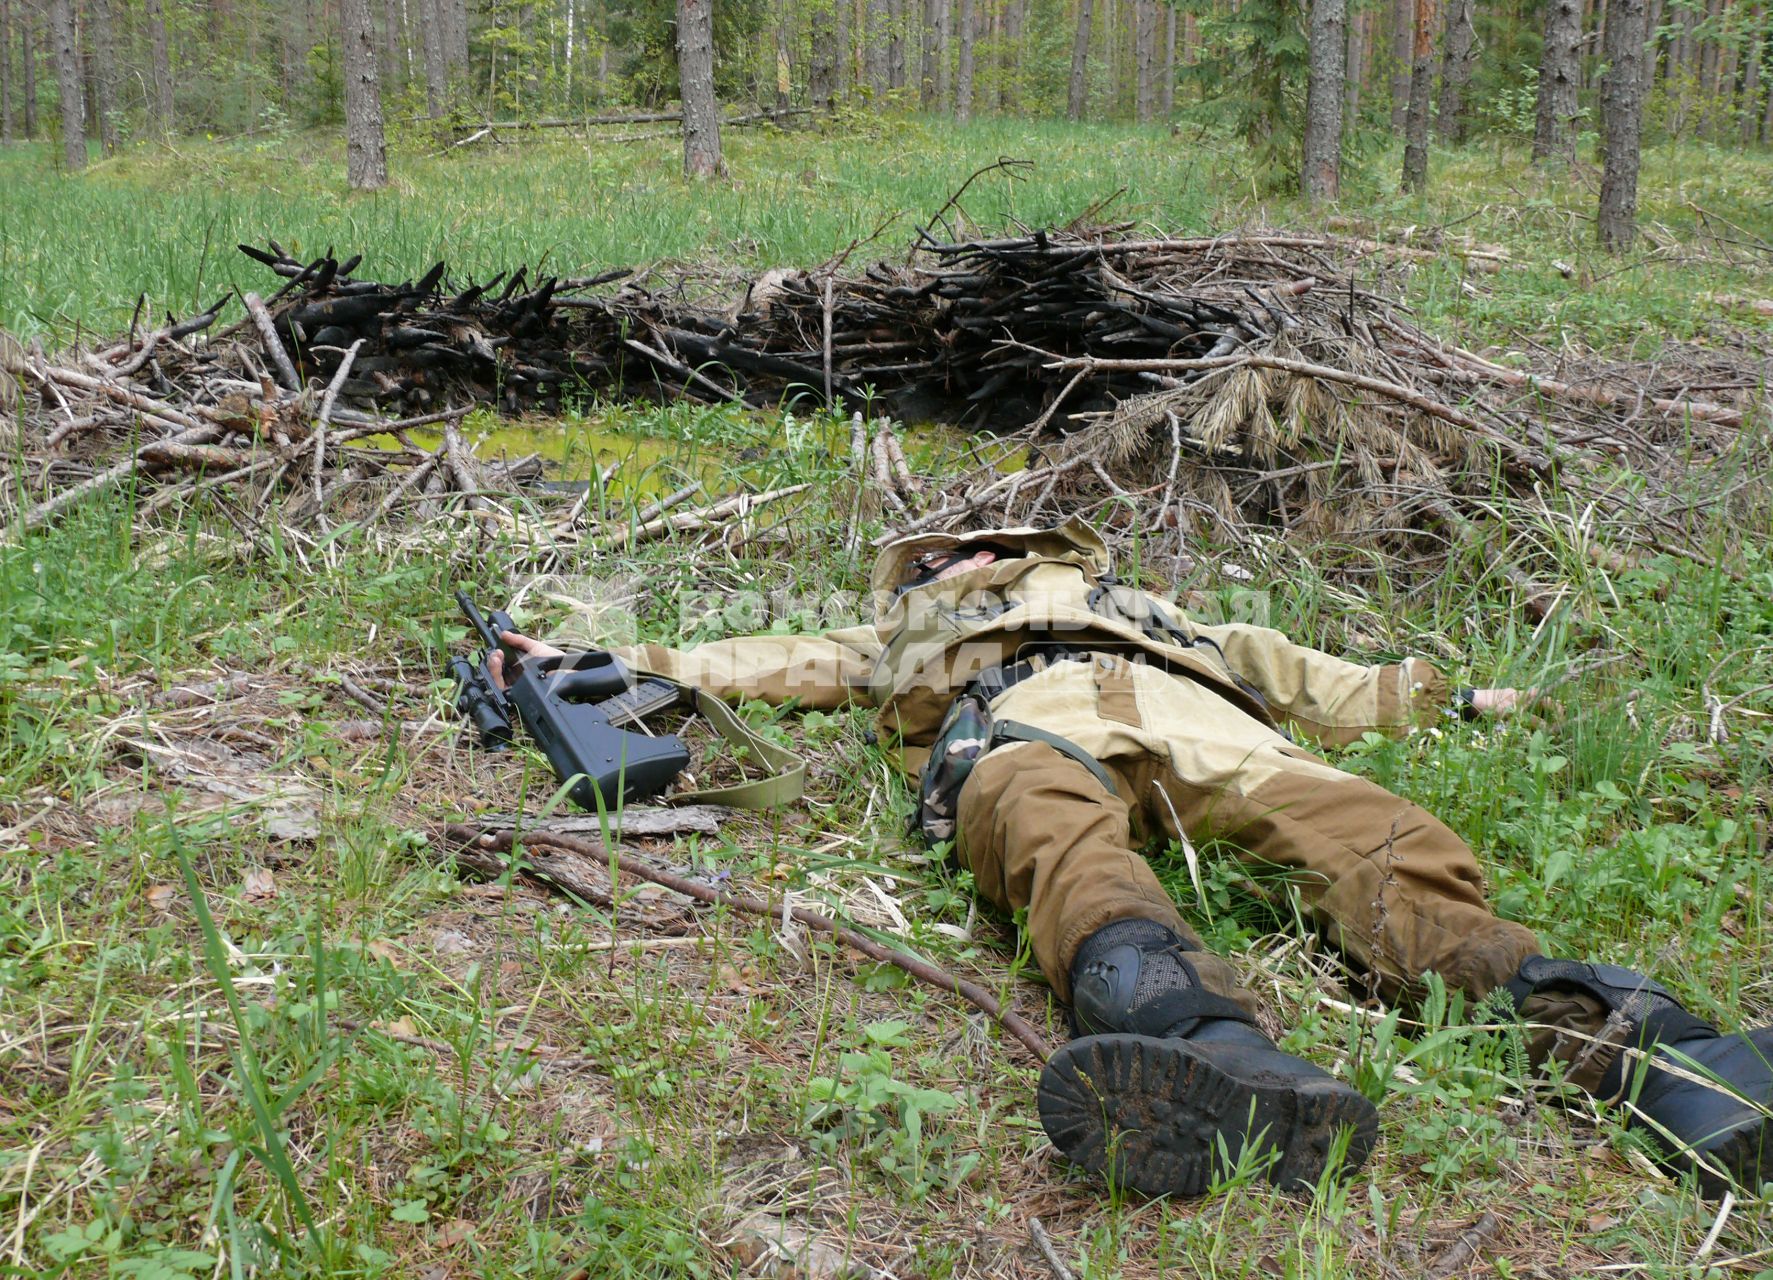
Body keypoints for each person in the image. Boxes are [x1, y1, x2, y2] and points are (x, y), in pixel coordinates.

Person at [487, 517, 1771, 1198]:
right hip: (1028, 725)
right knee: (1051, 832)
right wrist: (596, 658)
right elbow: (751, 660)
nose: (961, 558)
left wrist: (1477, 701)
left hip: (1203, 724)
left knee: (1381, 836)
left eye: (979, 545)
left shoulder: (1178, 618)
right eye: (938, 557)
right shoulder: (896, 636)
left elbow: (1341, 686)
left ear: (1047, 548)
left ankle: (1623, 1038)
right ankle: (1200, 1043)